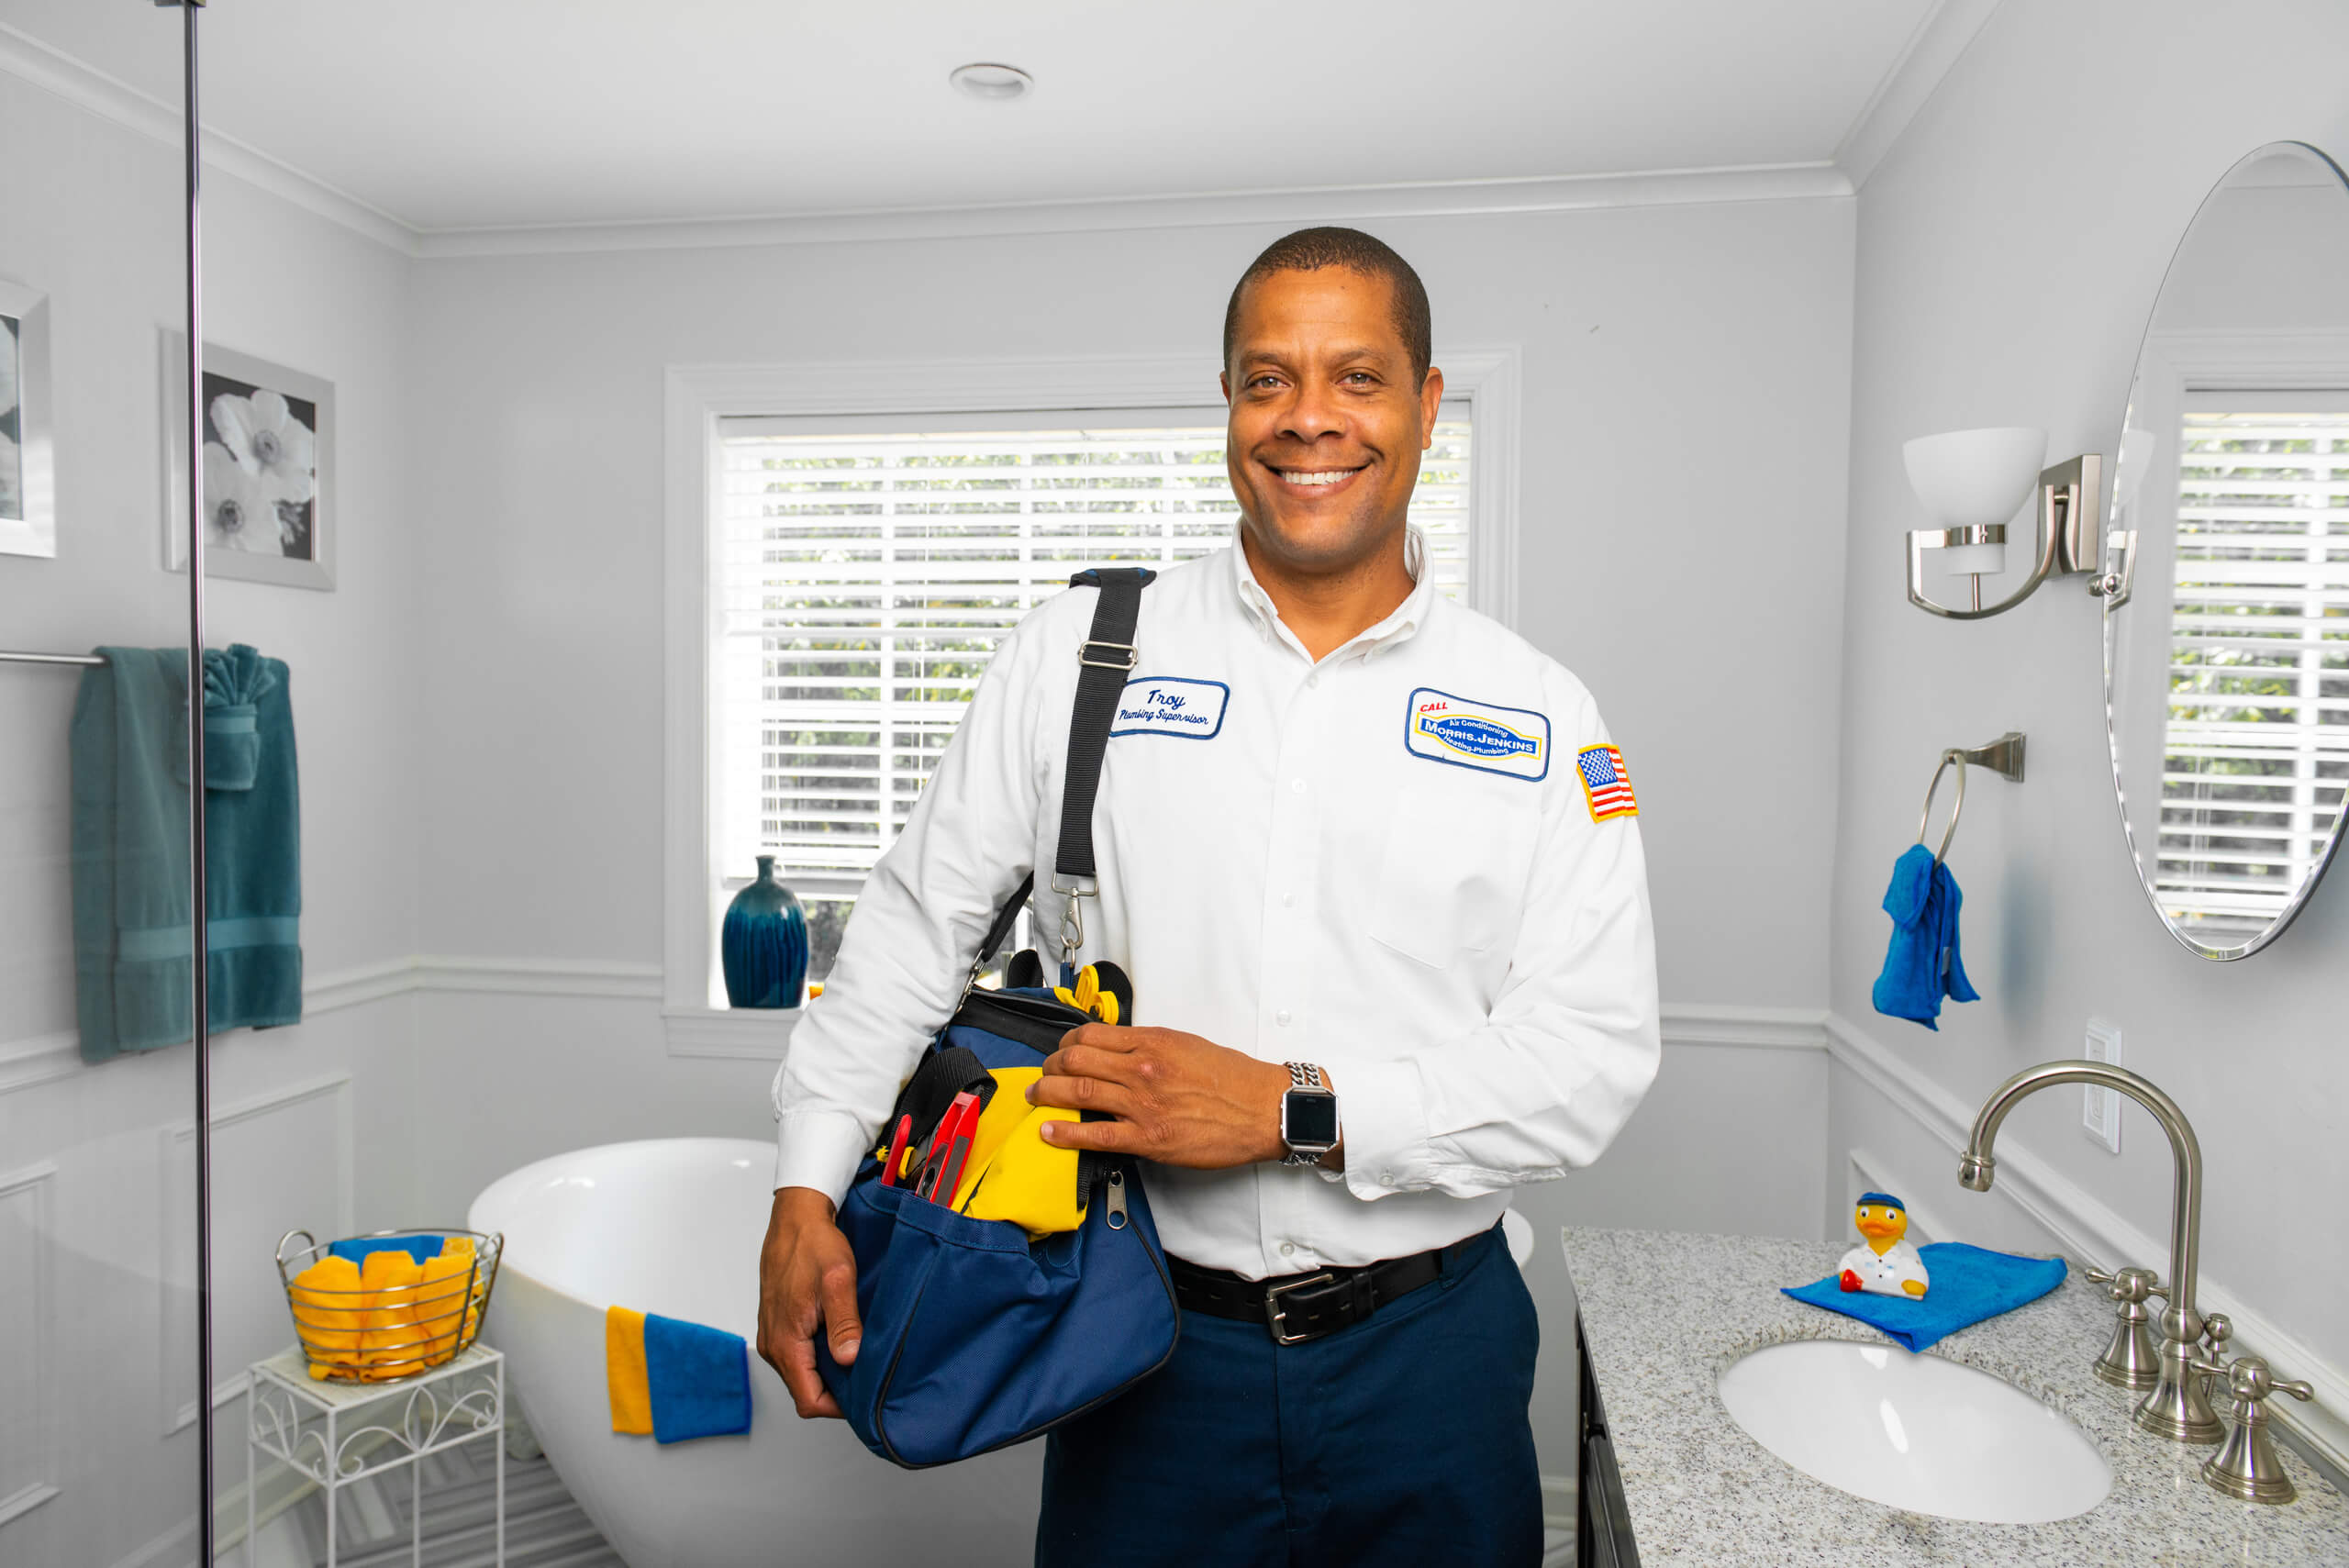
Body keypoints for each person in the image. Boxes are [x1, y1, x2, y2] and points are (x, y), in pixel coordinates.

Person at [757, 226, 1661, 1566]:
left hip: (1433, 1362)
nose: (1309, 417)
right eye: (1265, 378)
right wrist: (804, 1186)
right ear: (1229, 403)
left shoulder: (1538, 712)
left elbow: (1590, 1057)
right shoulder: (1080, 657)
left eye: (1357, 377)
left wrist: (1289, 1107)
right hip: (1143, 1352)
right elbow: (908, 929)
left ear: (1426, 403)